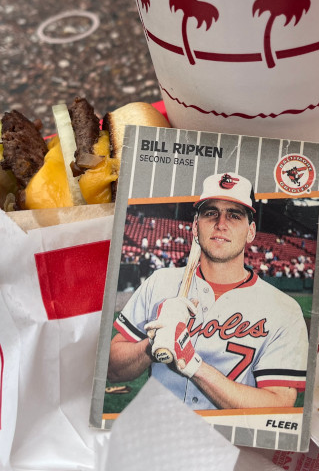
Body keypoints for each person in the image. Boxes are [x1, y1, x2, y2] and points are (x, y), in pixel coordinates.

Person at [107, 172, 308, 410]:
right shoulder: (160, 282)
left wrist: (194, 366)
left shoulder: (284, 309)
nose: (220, 224)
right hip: (157, 429)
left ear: (251, 232)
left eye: (234, 215)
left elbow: (279, 406)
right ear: (195, 226)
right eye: (210, 213)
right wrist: (151, 345)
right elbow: (112, 369)